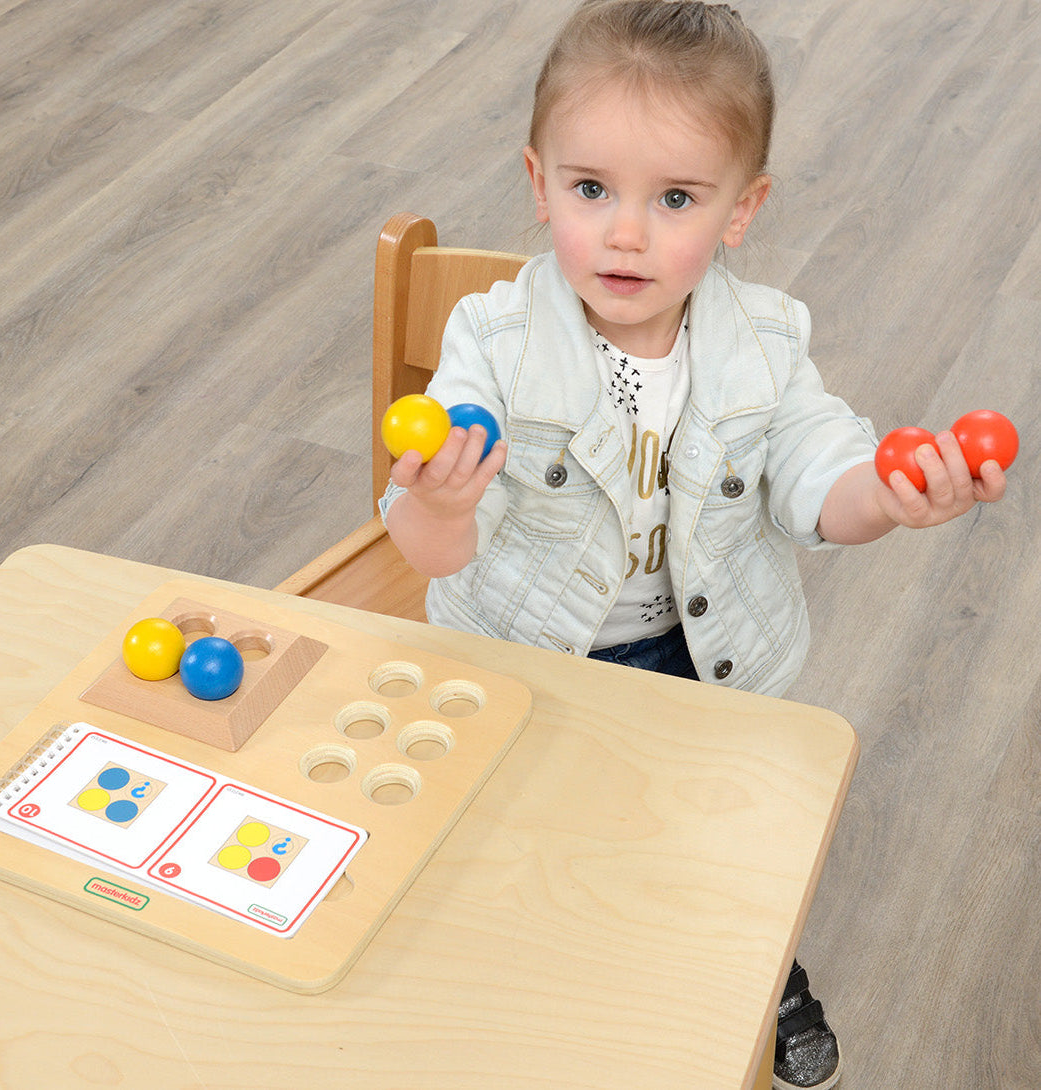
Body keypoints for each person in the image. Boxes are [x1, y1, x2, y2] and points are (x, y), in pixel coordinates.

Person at [379, 2, 1008, 1086]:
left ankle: (764, 975)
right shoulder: (490, 340)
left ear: (739, 210)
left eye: (673, 198)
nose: (626, 233)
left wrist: (889, 496)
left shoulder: (767, 344)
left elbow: (820, 479)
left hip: (703, 671)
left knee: (719, 870)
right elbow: (437, 551)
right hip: (525, 661)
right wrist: (438, 503)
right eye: (590, 191)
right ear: (537, 184)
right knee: (520, 858)